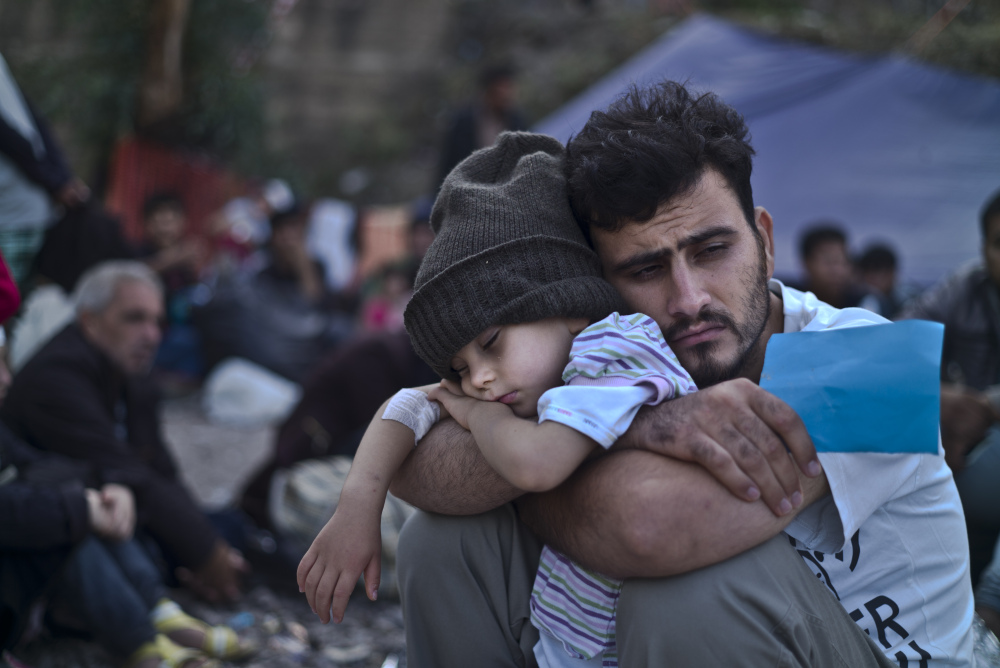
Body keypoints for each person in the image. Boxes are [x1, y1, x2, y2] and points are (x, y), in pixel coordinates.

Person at [391, 82, 972, 667]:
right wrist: (638, 429)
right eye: (645, 268)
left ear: (764, 243)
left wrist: (552, 456)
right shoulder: (609, 350)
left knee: (692, 586)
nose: (688, 300)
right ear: (598, 285)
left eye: (712, 250)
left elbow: (649, 529)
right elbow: (415, 459)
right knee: (446, 542)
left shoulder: (874, 361)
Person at [298, 134, 698, 667]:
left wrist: (474, 412)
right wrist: (357, 508)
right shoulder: (517, 379)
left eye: (491, 343)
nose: (479, 379)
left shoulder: (618, 348)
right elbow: (407, 405)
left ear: (571, 306)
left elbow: (538, 463)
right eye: (459, 368)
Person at [0, 261, 247, 603]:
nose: (151, 335)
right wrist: (205, 552)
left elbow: (159, 468)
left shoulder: (128, 370)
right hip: (61, 528)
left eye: (157, 322)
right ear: (90, 320)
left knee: (231, 526)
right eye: (134, 319)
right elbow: (124, 471)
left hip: (120, 503)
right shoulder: (56, 377)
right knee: (154, 547)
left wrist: (207, 545)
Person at [897, 187, 1000, 637]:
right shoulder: (966, 285)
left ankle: (992, 605)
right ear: (984, 249)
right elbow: (894, 342)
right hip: (955, 442)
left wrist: (986, 408)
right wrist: (938, 399)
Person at [0, 52, 89, 286]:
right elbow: (33, 122)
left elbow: (13, 138)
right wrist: (59, 178)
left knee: (6, 303)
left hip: (13, 213)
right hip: (25, 207)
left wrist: (57, 181)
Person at [436, 63, 528, 191]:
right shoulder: (465, 121)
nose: (508, 94)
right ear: (490, 90)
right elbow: (449, 162)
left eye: (510, 87)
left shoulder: (517, 121)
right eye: (503, 88)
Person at [793, 223, 870, 309]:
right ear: (807, 262)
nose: (837, 270)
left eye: (842, 261)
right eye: (828, 262)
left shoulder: (864, 304)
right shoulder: (789, 301)